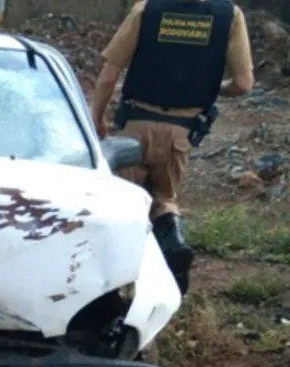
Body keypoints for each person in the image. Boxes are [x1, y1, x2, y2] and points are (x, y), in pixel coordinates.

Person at [89, 0, 254, 296]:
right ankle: (171, 240)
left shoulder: (146, 10)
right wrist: (209, 85)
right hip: (180, 132)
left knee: (123, 205)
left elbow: (108, 77)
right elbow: (243, 83)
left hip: (133, 130)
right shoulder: (230, 16)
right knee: (164, 197)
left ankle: (111, 288)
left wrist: (96, 118)